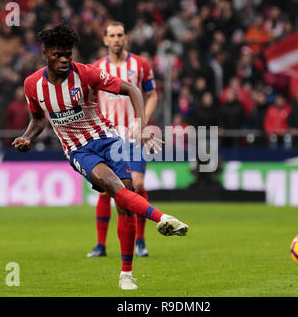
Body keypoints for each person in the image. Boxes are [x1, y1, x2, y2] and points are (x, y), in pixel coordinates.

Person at [12, 23, 188, 290]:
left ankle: (126, 274)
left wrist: (140, 124)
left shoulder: (86, 74)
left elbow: (133, 89)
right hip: (78, 150)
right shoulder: (32, 85)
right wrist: (27, 136)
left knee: (125, 204)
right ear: (45, 52)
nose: (64, 59)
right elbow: (38, 120)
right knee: (115, 188)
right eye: (58, 54)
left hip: (108, 139)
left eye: (68, 53)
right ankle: (161, 218)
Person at [88, 21, 158, 258]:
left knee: (136, 185)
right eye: (112, 36)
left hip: (133, 135)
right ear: (105, 39)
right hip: (108, 138)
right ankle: (100, 245)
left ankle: (140, 240)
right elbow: (89, 102)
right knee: (106, 190)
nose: (116, 39)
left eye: (120, 35)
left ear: (126, 38)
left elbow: (151, 95)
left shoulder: (140, 65)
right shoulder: (96, 69)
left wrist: (143, 122)